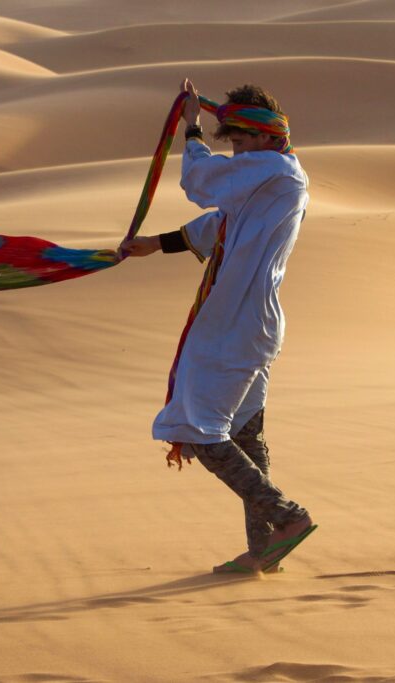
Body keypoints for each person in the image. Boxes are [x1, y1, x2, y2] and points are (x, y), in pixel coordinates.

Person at [120, 79, 315, 574]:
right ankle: (265, 551)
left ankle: (287, 518)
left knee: (200, 429)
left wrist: (192, 128)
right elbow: (220, 222)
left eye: (243, 142)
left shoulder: (273, 169)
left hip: (237, 322)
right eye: (233, 144)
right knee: (246, 435)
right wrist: (156, 245)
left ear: (270, 138)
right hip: (247, 321)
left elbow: (202, 183)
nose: (238, 153)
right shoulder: (271, 178)